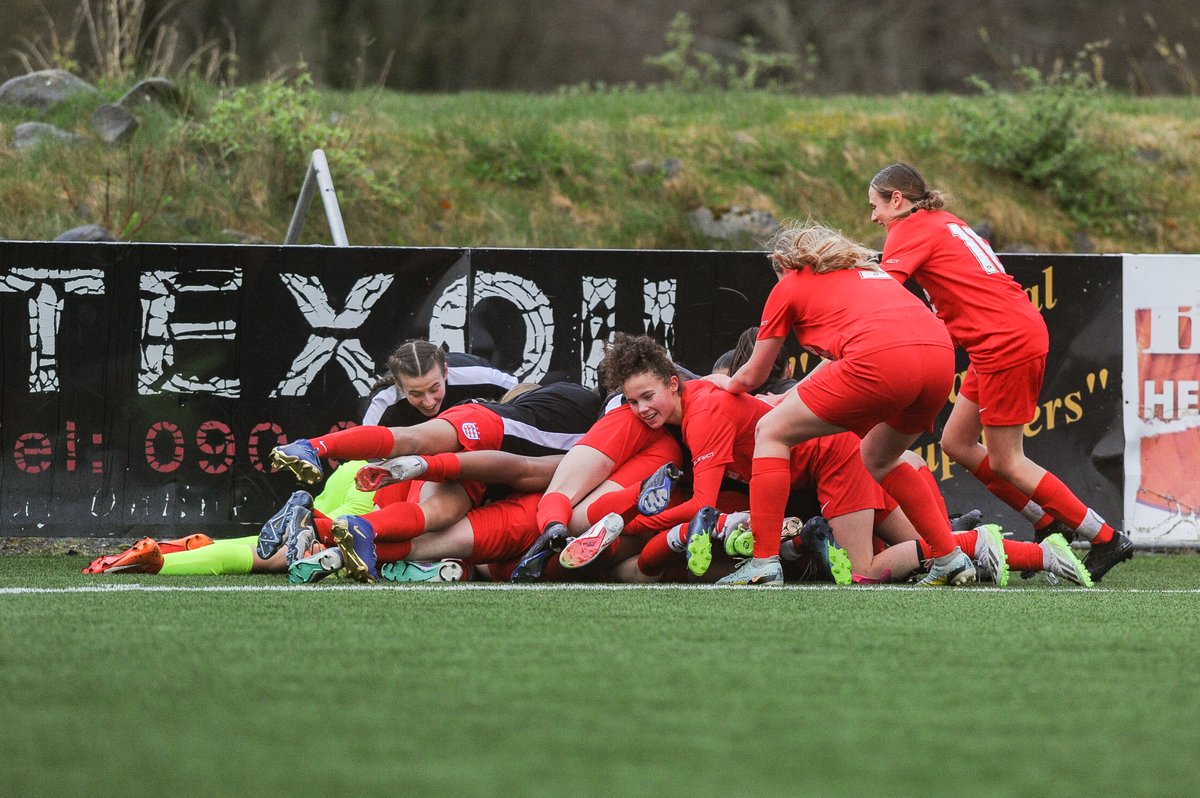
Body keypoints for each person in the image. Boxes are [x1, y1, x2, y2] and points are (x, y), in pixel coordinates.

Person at [868, 162, 1133, 582]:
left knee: (1008, 461)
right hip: (1003, 335)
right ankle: (1047, 522)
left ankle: (1105, 538)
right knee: (956, 442)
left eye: (876, 206)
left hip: (1004, 341)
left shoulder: (908, 230)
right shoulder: (943, 221)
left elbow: (879, 295)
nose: (874, 217)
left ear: (896, 199)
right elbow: (959, 301)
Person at [708, 220, 970, 586]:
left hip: (883, 358)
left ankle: (763, 563)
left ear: (786, 263)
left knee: (770, 431)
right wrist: (788, 396)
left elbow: (752, 375)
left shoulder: (793, 282)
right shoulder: (870, 274)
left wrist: (719, 384)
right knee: (880, 458)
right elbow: (848, 355)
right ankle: (949, 557)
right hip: (940, 361)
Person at [270, 380, 603, 581]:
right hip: (488, 427)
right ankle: (312, 446)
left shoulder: (573, 415)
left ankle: (321, 526)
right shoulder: (588, 412)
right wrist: (425, 466)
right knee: (411, 440)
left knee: (438, 515)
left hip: (486, 465)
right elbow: (523, 468)